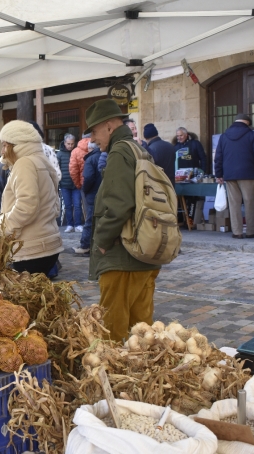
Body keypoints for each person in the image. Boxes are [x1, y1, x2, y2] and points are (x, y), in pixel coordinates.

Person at [86, 99, 161, 342]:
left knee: (113, 335)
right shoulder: (138, 148)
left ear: (109, 126)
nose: (93, 139)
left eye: (95, 131)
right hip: (142, 257)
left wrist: (102, 241)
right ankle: (141, 377)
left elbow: (119, 205)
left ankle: (118, 379)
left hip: (122, 257)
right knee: (142, 335)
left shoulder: (119, 152)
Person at [0, 121, 63, 275]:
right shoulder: (40, 160)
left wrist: (4, 229)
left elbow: (26, 206)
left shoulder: (25, 163)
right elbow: (55, 201)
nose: (2, 150)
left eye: (4, 145)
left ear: (16, 145)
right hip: (46, 242)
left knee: (25, 297)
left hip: (30, 247)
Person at [214, 114, 254, 239]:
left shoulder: (224, 136)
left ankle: (237, 232)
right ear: (247, 122)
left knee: (234, 203)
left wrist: (219, 174)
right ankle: (250, 231)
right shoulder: (252, 135)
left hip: (230, 174)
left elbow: (218, 157)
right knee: (249, 202)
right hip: (248, 173)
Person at [74, 141, 102, 255]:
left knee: (89, 220)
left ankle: (85, 245)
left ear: (90, 148)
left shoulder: (91, 159)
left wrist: (85, 190)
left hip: (93, 193)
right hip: (102, 193)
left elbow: (88, 178)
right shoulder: (105, 155)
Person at [56, 134, 82, 233]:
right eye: (68, 144)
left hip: (76, 184)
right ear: (64, 142)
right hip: (64, 184)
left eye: (72, 143)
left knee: (77, 205)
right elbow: (57, 169)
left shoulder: (77, 152)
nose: (70, 146)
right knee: (68, 205)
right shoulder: (60, 154)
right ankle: (70, 224)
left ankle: (78, 224)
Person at [70, 135, 90, 232]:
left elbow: (73, 171)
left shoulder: (76, 151)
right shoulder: (99, 146)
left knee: (87, 209)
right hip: (99, 183)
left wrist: (78, 184)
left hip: (84, 183)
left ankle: (88, 231)